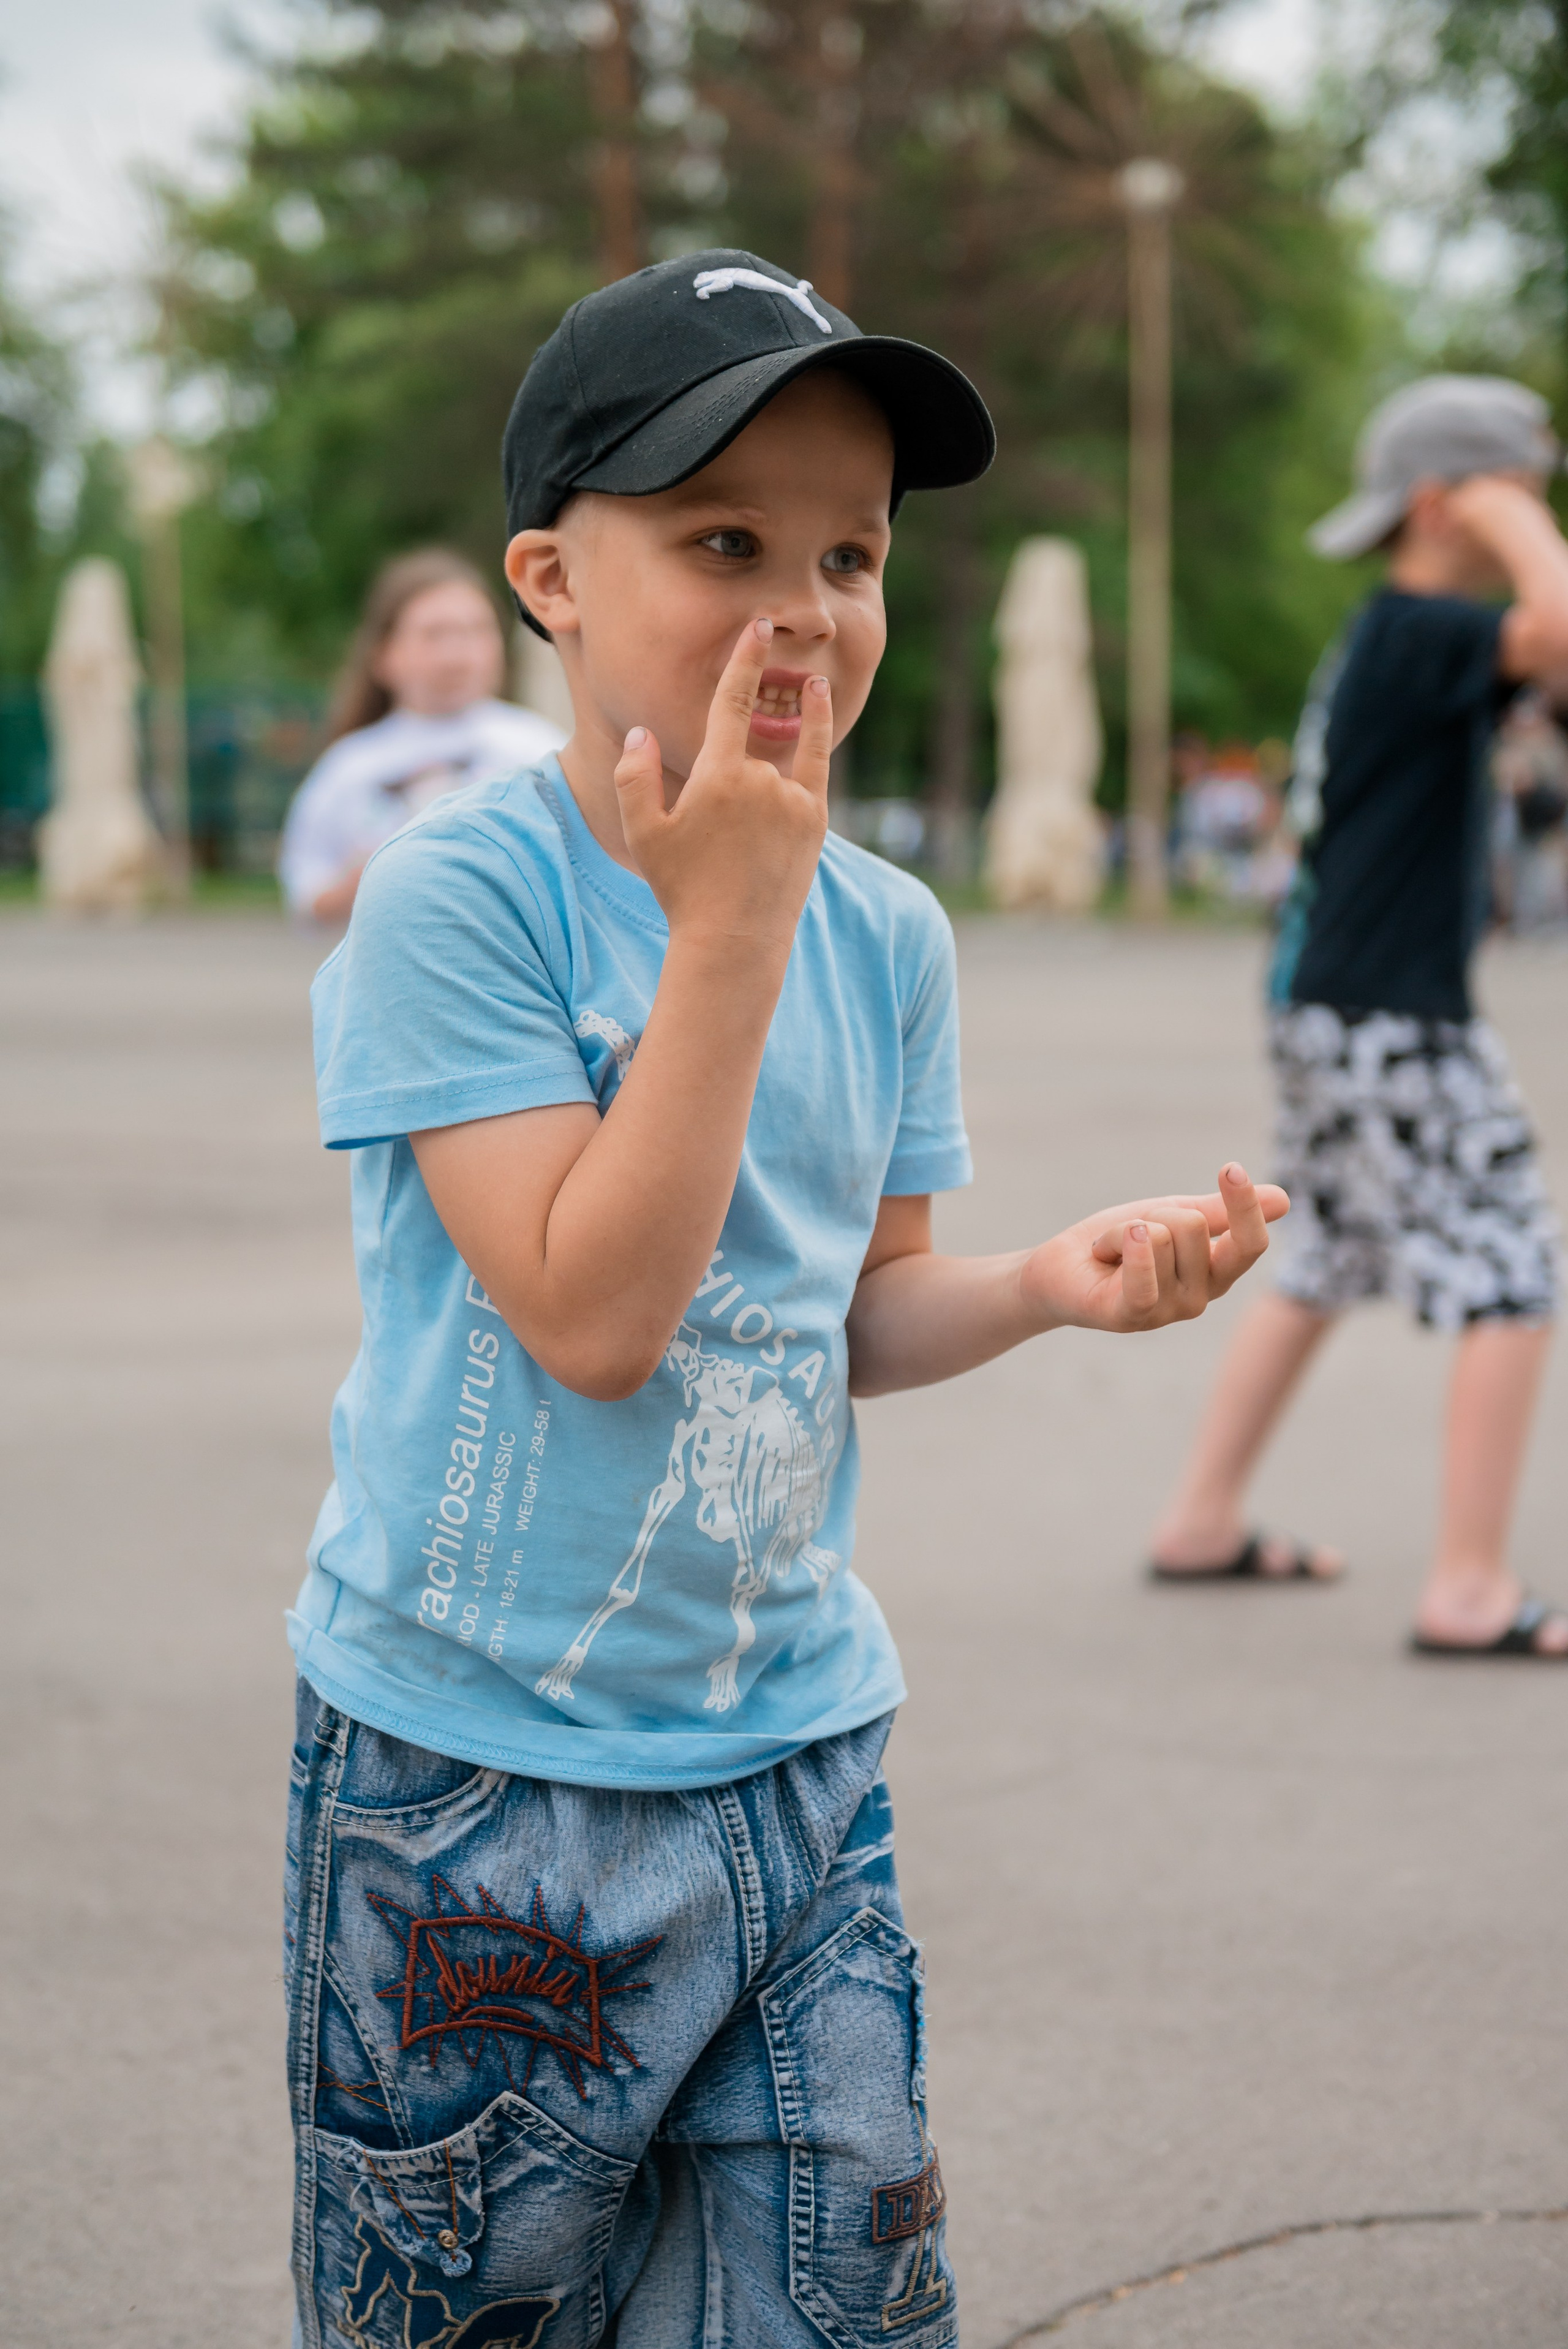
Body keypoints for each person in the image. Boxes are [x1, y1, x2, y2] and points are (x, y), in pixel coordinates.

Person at [284, 249, 1286, 2347]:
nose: (803, 609)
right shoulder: (457, 899)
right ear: (553, 577)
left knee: (836, 2311)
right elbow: (595, 1314)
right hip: (482, 1789)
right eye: (723, 538)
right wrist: (725, 928)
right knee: (482, 2314)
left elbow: (843, 1314)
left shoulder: (887, 931)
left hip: (795, 1760)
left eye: (850, 550)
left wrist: (1042, 1284)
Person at [1148, 374, 1568, 1657]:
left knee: (1322, 1253)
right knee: (1509, 1270)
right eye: (1529, 491)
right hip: (1390, 1012)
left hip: (1329, 1003)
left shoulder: (1409, 639)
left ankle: (1201, 1521)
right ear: (1451, 504)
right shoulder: (1417, 628)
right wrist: (1508, 522)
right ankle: (1464, 1588)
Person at [277, 547, 564, 920]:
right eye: (434, 634)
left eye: (475, 630)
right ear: (384, 654)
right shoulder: (351, 766)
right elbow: (305, 892)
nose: (456, 653)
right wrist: (362, 884)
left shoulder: (539, 748)